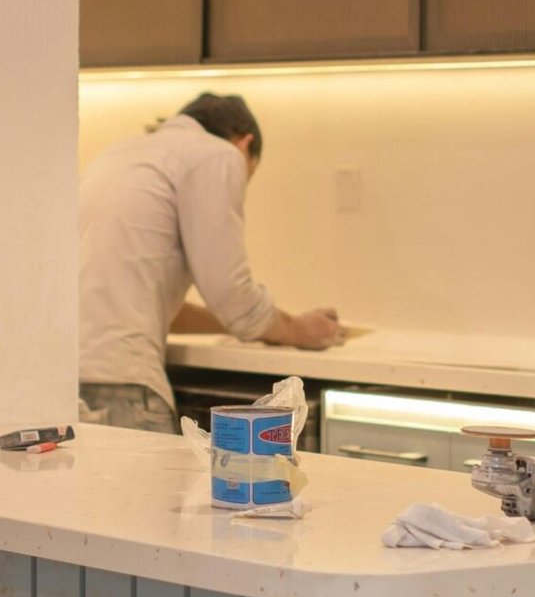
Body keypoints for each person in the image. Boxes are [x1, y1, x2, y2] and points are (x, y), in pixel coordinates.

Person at [78, 92, 342, 433]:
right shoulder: (217, 155)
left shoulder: (118, 155)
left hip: (67, 383)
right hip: (126, 390)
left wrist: (261, 325)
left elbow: (155, 305)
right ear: (244, 145)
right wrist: (298, 330)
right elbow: (233, 298)